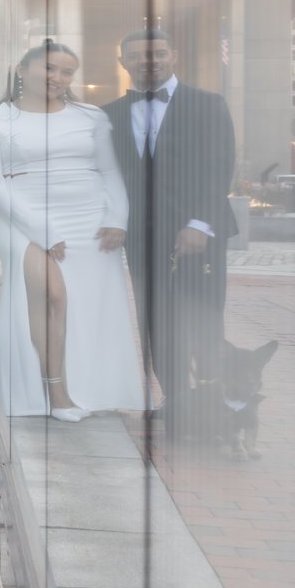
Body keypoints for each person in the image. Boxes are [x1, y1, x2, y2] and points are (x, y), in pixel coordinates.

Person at [0, 40, 145, 421]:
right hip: (21, 220)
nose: (58, 78)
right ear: (22, 70)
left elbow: (110, 172)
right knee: (53, 295)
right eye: (49, 68)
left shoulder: (91, 117)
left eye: (67, 72)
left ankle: (89, 388)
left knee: (85, 306)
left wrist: (117, 218)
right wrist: (41, 228)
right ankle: (56, 393)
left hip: (88, 222)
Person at [102, 28, 237, 435]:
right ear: (124, 62)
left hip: (198, 234)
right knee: (155, 321)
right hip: (142, 237)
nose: (150, 61)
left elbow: (220, 168)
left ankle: (216, 406)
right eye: (139, 56)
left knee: (203, 320)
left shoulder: (208, 104)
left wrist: (199, 223)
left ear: (173, 55)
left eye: (158, 53)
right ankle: (177, 400)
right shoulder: (108, 115)